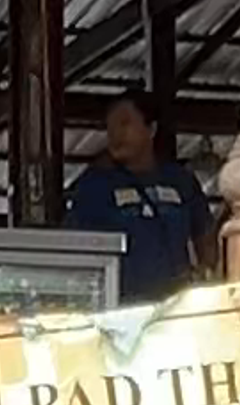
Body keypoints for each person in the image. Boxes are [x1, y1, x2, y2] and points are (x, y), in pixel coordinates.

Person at [67, 86, 215, 303]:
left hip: (175, 306)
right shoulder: (95, 185)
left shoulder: (180, 180)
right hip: (120, 305)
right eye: (110, 127)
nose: (116, 134)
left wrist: (205, 275)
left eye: (125, 124)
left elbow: (205, 232)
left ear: (151, 129)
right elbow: (78, 247)